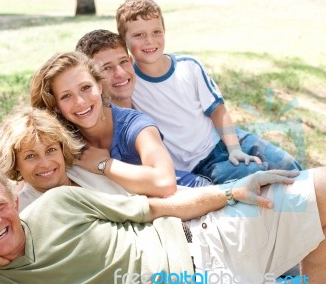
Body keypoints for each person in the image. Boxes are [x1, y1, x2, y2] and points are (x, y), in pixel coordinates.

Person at [75, 28, 304, 284]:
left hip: (208, 169)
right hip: (188, 202)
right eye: (107, 69)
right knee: (276, 222)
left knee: (287, 188)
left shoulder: (146, 94)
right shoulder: (96, 124)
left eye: (124, 62)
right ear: (94, 80)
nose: (121, 73)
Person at [0, 167, 326, 284]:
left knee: (320, 187)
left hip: (209, 240)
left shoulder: (58, 203)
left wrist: (228, 193)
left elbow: (154, 208)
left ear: (14, 201)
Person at [115, 0, 302, 184]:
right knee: (257, 176)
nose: (150, 40)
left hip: (228, 138)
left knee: (288, 165)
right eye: (139, 35)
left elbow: (218, 111)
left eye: (156, 32)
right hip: (200, 164)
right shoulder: (129, 83)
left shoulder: (189, 67)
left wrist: (234, 149)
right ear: (124, 41)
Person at [30, 51, 210, 197]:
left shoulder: (136, 125)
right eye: (66, 96)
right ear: (57, 107)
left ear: (100, 86)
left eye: (86, 88)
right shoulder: (62, 137)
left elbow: (165, 183)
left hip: (192, 192)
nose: (80, 101)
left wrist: (104, 164)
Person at [0, 107, 131, 211]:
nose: (45, 163)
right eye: (30, 156)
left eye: (51, 150)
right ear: (15, 163)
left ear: (62, 149)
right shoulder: (24, 211)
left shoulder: (88, 168)